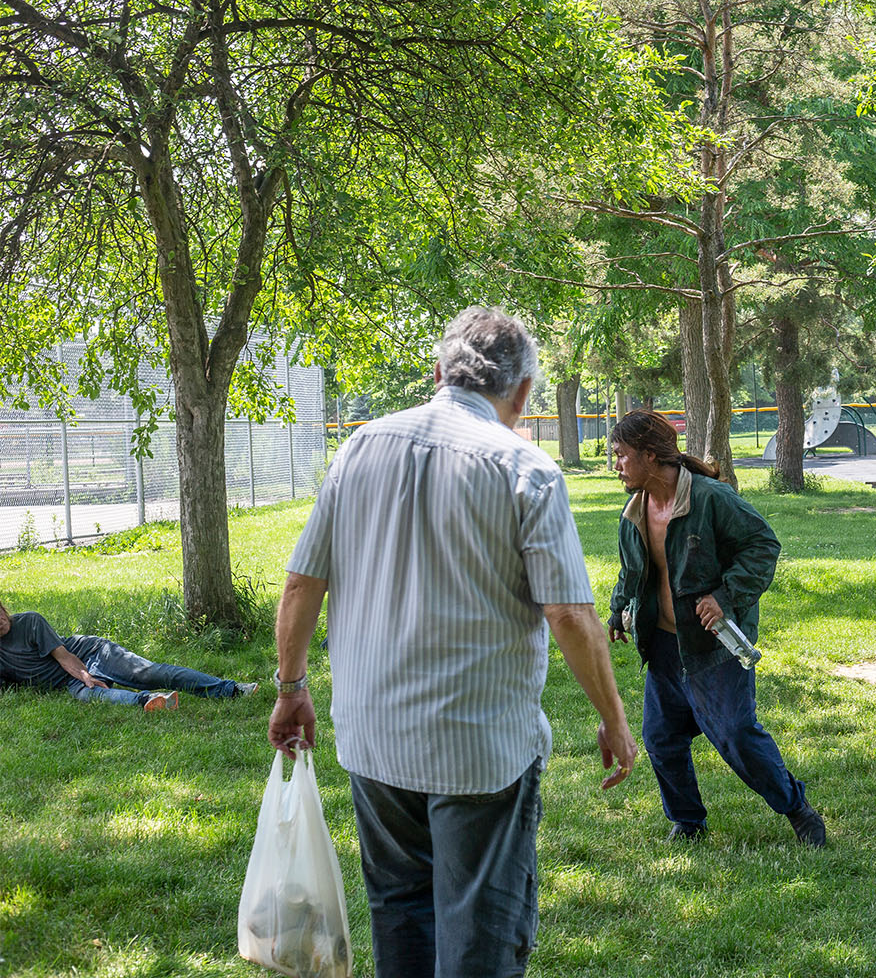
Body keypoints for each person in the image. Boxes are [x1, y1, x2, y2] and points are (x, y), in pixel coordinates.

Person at [269, 307, 638, 978]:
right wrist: (614, 720)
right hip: (479, 749)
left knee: (400, 912)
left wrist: (291, 689)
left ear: (439, 373)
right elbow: (571, 615)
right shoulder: (524, 467)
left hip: (374, 737)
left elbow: (301, 585)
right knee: (481, 932)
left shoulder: (359, 446)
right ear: (523, 394)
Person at [607, 410, 825, 847]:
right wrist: (618, 612)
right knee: (662, 738)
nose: (616, 465)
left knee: (737, 736)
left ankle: (798, 810)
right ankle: (687, 822)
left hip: (713, 647)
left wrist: (725, 597)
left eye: (621, 455)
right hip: (665, 647)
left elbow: (763, 545)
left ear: (650, 456)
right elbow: (633, 572)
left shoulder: (708, 498)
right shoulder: (635, 511)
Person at [0, 600, 254, 711]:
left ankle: (230, 689)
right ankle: (153, 700)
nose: (0, 620)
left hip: (90, 655)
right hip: (69, 681)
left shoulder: (30, 621)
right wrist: (84, 682)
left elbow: (63, 655)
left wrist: (86, 675)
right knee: (93, 696)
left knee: (149, 672)